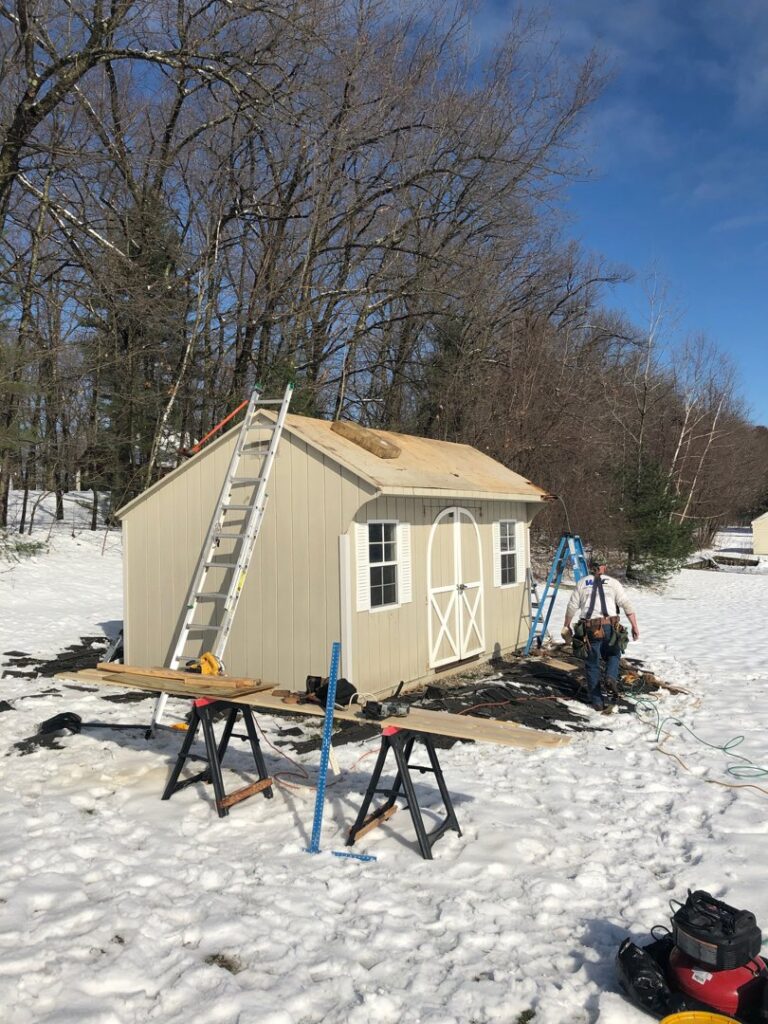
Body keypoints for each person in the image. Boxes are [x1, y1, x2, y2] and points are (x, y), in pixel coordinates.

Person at [561, 553, 640, 712]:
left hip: (589, 629)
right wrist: (634, 626)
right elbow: (627, 605)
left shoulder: (582, 583)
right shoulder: (613, 583)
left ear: (591, 567)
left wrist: (567, 626)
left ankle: (597, 702)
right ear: (604, 567)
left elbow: (572, 607)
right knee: (613, 654)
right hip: (610, 626)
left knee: (592, 664)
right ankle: (610, 677)